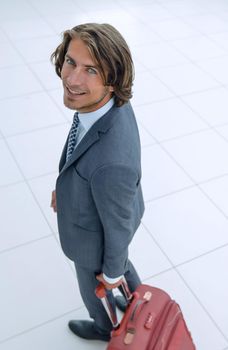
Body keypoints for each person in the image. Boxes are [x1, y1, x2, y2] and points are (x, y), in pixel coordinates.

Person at [50, 23, 144, 342]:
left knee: (98, 286)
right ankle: (133, 298)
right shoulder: (105, 105)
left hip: (95, 239)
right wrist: (65, 189)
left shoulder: (110, 162)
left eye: (91, 70)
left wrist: (111, 271)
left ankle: (105, 328)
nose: (73, 79)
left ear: (113, 80)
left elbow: (115, 225)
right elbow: (81, 155)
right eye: (71, 62)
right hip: (118, 207)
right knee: (121, 260)